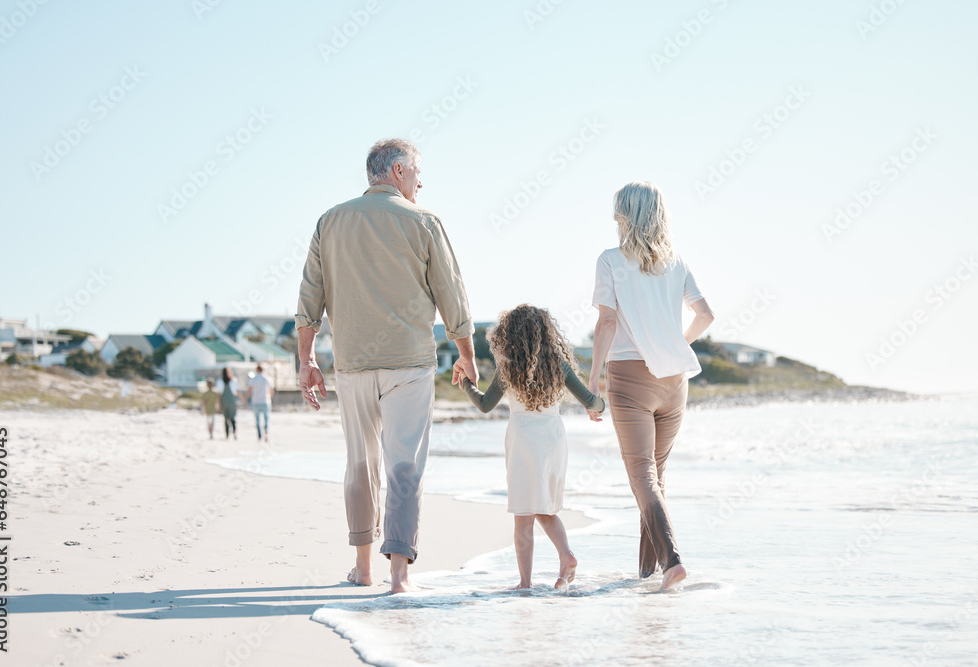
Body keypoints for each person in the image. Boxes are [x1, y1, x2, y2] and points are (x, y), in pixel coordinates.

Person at [295, 138, 476, 594]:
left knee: (361, 463)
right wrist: (468, 354)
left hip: (353, 364)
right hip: (410, 363)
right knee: (404, 466)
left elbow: (308, 299)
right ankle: (399, 574)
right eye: (417, 171)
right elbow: (452, 294)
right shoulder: (425, 222)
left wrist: (306, 360)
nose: (421, 180)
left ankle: (363, 567)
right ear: (397, 171)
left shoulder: (330, 221)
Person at [589, 181, 715, 592]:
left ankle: (672, 561)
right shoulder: (676, 262)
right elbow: (706, 315)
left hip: (629, 376)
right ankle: (647, 574)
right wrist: (677, 342)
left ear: (624, 214)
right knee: (656, 477)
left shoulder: (610, 260)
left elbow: (607, 322)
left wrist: (593, 379)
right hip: (674, 379)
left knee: (642, 476)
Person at [461, 305, 605, 591]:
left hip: (524, 439)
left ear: (509, 334)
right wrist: (598, 403)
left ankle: (525, 583)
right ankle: (566, 555)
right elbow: (592, 403)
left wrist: (466, 382)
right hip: (553, 439)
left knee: (524, 515)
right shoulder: (560, 365)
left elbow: (485, 405)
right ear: (546, 332)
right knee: (546, 507)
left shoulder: (509, 367)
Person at [245, 365, 273, 441]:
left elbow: (249, 390)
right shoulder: (267, 378)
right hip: (265, 401)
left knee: (257, 420)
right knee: (266, 418)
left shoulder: (254, 379)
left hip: (256, 401)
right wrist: (270, 397)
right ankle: (266, 432)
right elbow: (271, 390)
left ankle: (259, 435)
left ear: (257, 370)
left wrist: (245, 399)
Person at [215, 367, 242, 440]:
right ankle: (234, 433)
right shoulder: (233, 381)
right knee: (233, 418)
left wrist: (219, 405)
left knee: (226, 419)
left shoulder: (220, 382)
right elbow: (238, 392)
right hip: (232, 402)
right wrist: (243, 399)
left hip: (224, 402)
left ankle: (227, 435)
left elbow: (218, 395)